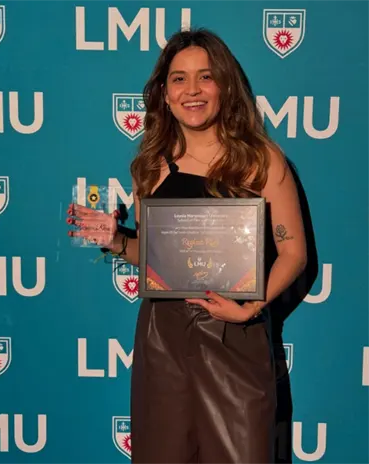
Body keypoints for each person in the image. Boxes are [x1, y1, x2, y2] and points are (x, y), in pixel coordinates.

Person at [68, 28, 307, 463]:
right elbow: (158, 259)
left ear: (225, 87)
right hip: (164, 341)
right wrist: (116, 240)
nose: (192, 90)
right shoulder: (150, 165)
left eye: (205, 77)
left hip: (236, 336)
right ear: (164, 93)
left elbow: (294, 253)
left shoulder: (260, 159)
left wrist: (249, 309)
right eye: (179, 79)